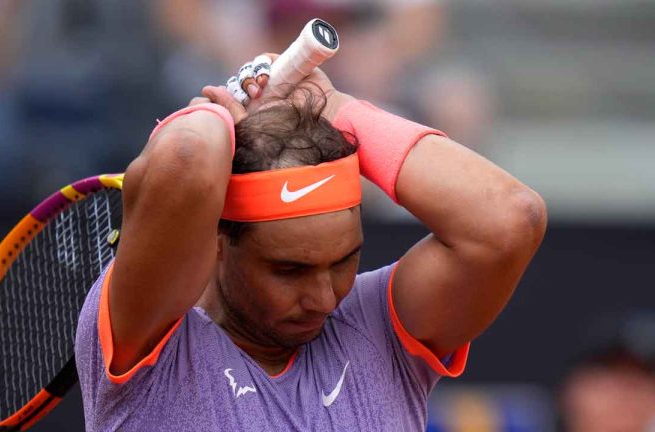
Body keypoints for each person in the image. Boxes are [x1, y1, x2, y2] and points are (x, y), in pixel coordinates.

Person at [75, 53, 547, 431]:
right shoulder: (148, 344)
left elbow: (509, 220)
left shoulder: (379, 329)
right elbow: (185, 155)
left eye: (345, 261)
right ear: (218, 240)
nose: (325, 298)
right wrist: (217, 111)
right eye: (289, 270)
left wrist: (333, 105)